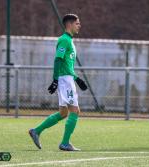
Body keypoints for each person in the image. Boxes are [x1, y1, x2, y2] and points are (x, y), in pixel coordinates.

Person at [29, 14, 87, 151]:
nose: (79, 25)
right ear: (69, 24)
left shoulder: (69, 41)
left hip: (67, 79)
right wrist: (55, 80)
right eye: (77, 23)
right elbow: (58, 60)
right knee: (75, 111)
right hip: (65, 80)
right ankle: (65, 143)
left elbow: (67, 65)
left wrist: (77, 78)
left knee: (63, 113)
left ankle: (36, 131)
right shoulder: (64, 40)